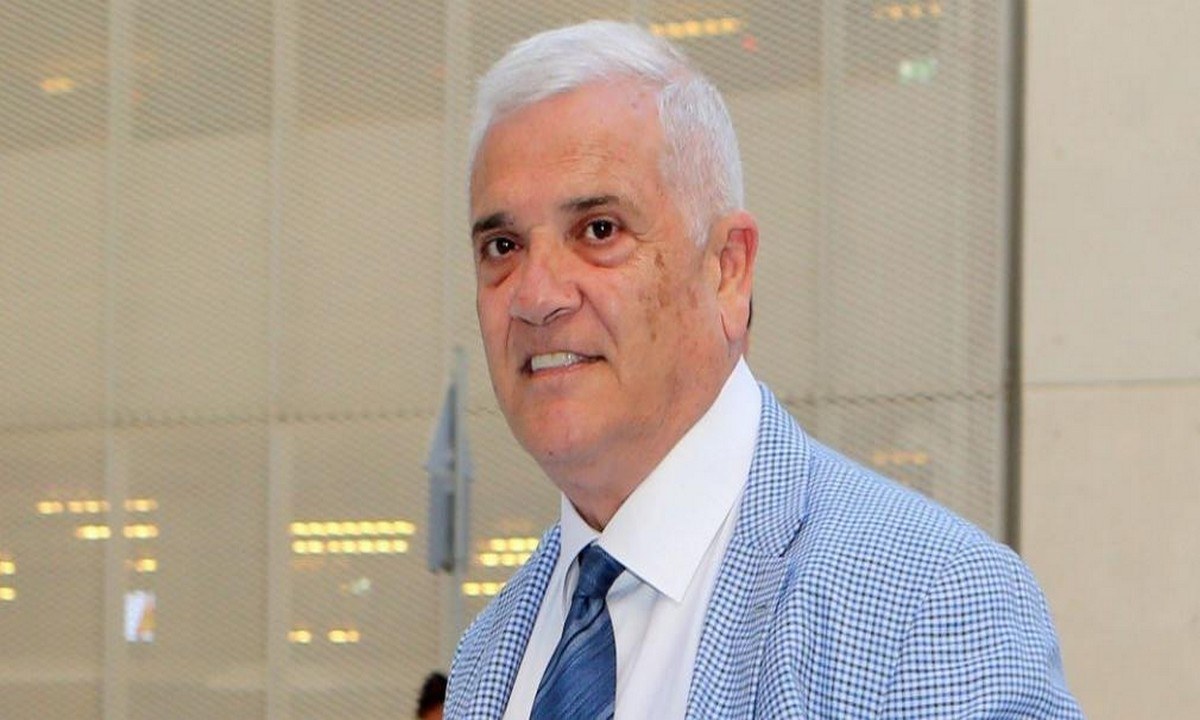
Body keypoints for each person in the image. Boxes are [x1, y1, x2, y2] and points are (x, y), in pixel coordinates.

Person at [446, 20, 1082, 719]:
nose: (537, 295)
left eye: (600, 230)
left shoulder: (931, 607)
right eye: (502, 246)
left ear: (728, 270)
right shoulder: (490, 653)